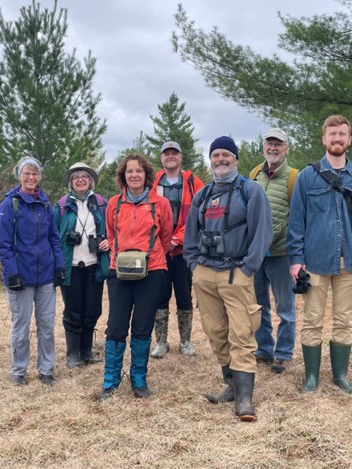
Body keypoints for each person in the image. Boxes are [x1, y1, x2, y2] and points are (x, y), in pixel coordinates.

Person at [287, 115, 352, 396]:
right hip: (315, 261)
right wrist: (295, 258)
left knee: (344, 320)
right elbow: (297, 221)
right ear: (323, 139)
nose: (337, 139)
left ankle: (340, 376)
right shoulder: (306, 177)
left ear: (349, 140)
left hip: (351, 261)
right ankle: (311, 377)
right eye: (332, 134)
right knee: (312, 320)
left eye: (342, 134)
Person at [184, 136, 273, 422]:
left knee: (242, 333)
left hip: (237, 272)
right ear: (210, 159)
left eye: (226, 154)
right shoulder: (204, 194)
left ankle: (245, 399)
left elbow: (262, 233)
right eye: (216, 155)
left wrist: (249, 267)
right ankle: (232, 386)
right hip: (206, 273)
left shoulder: (251, 191)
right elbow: (190, 233)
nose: (220, 159)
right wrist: (194, 264)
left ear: (235, 158)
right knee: (215, 331)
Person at [99, 154, 173, 399]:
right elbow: (110, 235)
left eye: (139, 171)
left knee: (142, 325)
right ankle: (111, 381)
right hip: (119, 270)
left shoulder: (160, 204)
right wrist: (120, 254)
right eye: (130, 171)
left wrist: (149, 255)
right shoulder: (114, 204)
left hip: (152, 270)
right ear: (123, 175)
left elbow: (166, 237)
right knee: (116, 326)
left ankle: (139, 379)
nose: (134, 175)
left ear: (147, 175)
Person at [0, 156, 64, 387]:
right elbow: (3, 245)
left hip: (45, 275)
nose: (31, 177)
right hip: (20, 278)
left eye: (35, 173)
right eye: (27, 173)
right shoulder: (9, 205)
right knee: (21, 328)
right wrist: (12, 272)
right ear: (19, 176)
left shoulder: (46, 204)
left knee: (46, 326)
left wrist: (60, 265)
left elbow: (54, 238)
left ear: (40, 177)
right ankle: (18, 370)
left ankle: (46, 369)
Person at [249, 128, 299, 374]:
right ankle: (264, 350)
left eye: (278, 144)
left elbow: (299, 217)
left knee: (285, 308)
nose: (273, 148)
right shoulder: (254, 174)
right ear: (263, 147)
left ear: (286, 148)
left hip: (282, 254)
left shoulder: (294, 177)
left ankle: (284, 354)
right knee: (259, 306)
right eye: (269, 143)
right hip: (257, 254)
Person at [150, 141, 204, 359]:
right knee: (159, 296)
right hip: (159, 251)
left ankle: (185, 341)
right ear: (161, 158)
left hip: (184, 251)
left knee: (184, 295)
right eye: (166, 153)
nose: (170, 156)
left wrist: (176, 239)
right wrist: (163, 241)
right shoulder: (152, 183)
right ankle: (161, 343)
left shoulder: (193, 183)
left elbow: (198, 215)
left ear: (181, 157)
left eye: (174, 153)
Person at [54, 161, 110, 368]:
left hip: (94, 264)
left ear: (91, 181)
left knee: (93, 309)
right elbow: (53, 235)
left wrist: (107, 241)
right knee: (72, 310)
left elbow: (110, 229)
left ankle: (86, 351)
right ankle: (72, 354)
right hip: (71, 266)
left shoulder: (101, 204)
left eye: (85, 176)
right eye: (76, 176)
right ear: (71, 182)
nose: (80, 179)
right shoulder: (61, 205)